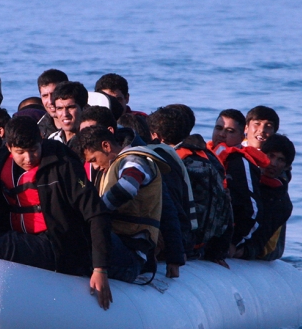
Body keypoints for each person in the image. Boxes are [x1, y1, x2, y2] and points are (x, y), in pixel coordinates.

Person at [0, 116, 113, 309]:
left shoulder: (64, 164)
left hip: (54, 244)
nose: (28, 158)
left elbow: (96, 213)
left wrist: (100, 269)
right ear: (9, 148)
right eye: (20, 152)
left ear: (41, 140)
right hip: (12, 230)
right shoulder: (1, 163)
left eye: (33, 150)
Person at [78, 126, 185, 283]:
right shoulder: (113, 166)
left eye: (93, 160)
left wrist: (95, 213)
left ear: (106, 146)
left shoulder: (134, 160)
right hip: (121, 248)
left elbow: (128, 186)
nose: (94, 167)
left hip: (130, 257)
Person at [146, 107, 233, 265]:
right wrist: (219, 252)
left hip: (181, 244)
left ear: (156, 136)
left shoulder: (166, 162)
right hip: (204, 245)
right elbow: (225, 203)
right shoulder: (210, 158)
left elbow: (170, 210)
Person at [216, 121, 272, 261]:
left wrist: (235, 243)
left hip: (232, 239)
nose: (222, 134)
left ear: (242, 136)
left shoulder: (240, 163)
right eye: (218, 128)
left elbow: (253, 210)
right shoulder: (206, 155)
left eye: (230, 131)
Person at [242, 133, 295, 261]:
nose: (273, 163)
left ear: (287, 166)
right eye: (271, 156)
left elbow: (261, 239)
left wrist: (242, 251)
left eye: (280, 160)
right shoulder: (246, 176)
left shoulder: (282, 202)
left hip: (268, 249)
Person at [36, 69, 68, 138]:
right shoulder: (40, 129)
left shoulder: (87, 123)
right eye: (45, 96)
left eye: (54, 94)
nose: (50, 101)